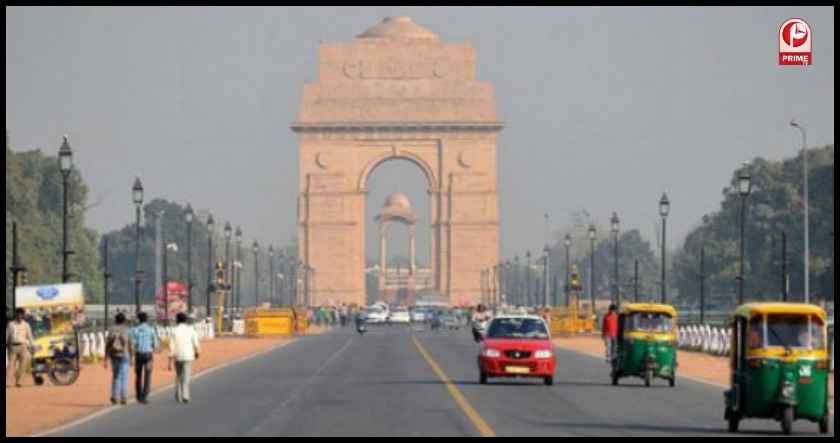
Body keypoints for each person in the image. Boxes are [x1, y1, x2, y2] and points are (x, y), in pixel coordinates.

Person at [169, 312, 201, 404]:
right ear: (185, 320)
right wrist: (197, 352)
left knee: (178, 376)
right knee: (186, 376)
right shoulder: (191, 330)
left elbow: (171, 346)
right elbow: (196, 342)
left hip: (177, 355)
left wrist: (170, 359)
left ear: (177, 320)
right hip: (188, 355)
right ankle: (185, 396)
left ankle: (178, 395)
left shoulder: (173, 330)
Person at [129, 312, 159, 405]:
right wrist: (153, 347)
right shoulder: (151, 330)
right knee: (148, 375)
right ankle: (145, 396)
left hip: (138, 354)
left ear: (138, 319)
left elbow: (132, 344)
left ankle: (138, 396)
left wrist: (131, 356)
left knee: (138, 375)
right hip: (148, 355)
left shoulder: (134, 330)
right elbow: (156, 344)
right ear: (146, 319)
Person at [105, 313, 133, 405]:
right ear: (124, 321)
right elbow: (130, 345)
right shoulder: (127, 330)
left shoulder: (111, 330)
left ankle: (114, 396)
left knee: (115, 376)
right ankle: (124, 397)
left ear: (115, 320)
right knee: (124, 377)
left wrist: (105, 358)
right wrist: (131, 357)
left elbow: (107, 345)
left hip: (114, 355)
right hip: (124, 355)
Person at [6, 308, 34, 388]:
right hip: (13, 347)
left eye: (21, 314)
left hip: (23, 346)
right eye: (18, 314)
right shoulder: (11, 324)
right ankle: (7, 382)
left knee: (23, 365)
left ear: (23, 315)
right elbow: (7, 335)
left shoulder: (26, 325)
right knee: (11, 365)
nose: (19, 316)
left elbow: (29, 336)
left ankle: (19, 381)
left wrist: (32, 345)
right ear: (16, 314)